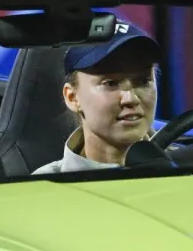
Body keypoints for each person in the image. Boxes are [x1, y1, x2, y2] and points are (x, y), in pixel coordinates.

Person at [32, 20, 162, 174]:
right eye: (111, 83)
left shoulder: (188, 167)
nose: (130, 98)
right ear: (72, 97)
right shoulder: (45, 186)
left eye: (143, 81)